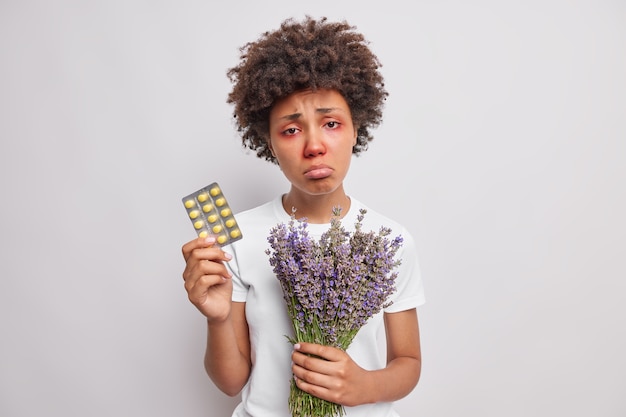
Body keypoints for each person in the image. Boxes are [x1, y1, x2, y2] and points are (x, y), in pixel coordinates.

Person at [181, 16, 426, 417]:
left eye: (331, 124)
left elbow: (408, 364)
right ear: (268, 141)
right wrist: (217, 317)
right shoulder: (238, 238)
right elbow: (229, 382)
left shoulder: (389, 239)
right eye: (291, 130)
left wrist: (363, 385)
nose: (314, 145)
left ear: (355, 129)